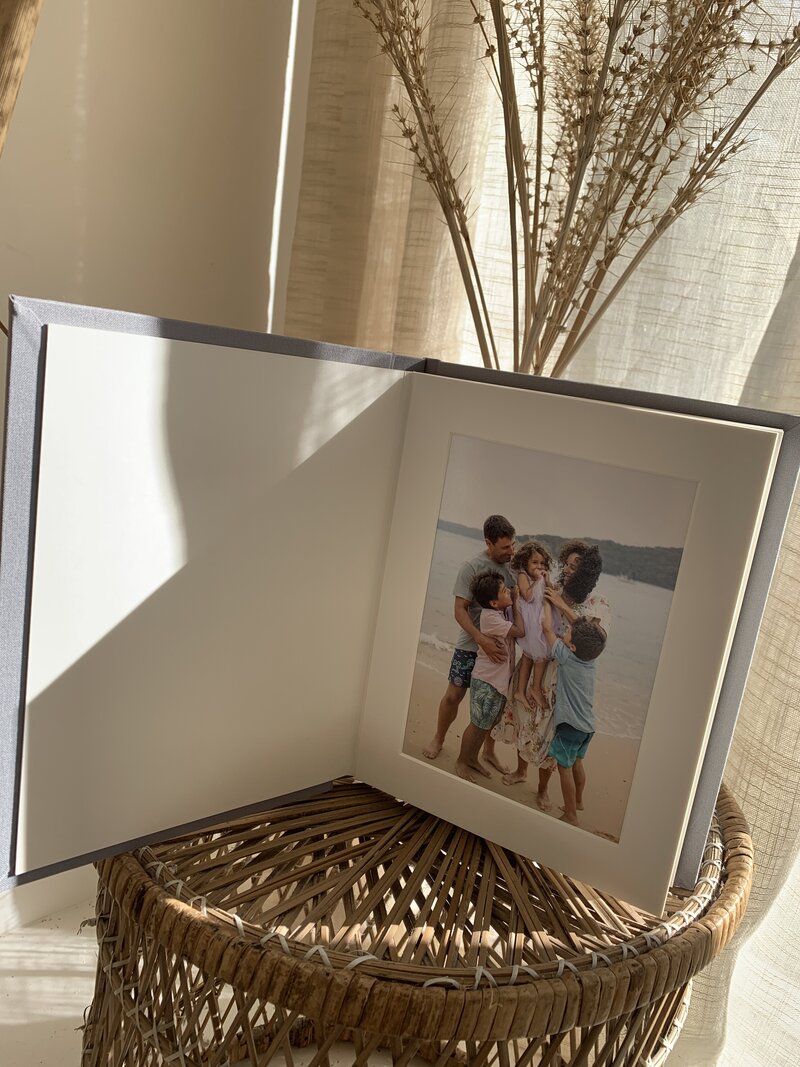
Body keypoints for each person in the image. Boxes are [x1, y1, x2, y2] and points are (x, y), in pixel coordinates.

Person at [495, 540, 610, 809]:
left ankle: (542, 788)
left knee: (548, 733)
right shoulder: (553, 588)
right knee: (524, 719)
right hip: (537, 663)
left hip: (562, 680)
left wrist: (560, 604)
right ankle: (521, 770)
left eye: (575, 566)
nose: (568, 570)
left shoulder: (598, 604)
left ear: (588, 572)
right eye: (566, 565)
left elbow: (596, 640)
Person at [423, 515, 516, 768]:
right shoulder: (471, 567)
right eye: (505, 547)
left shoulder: (512, 570)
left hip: (499, 651)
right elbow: (459, 610)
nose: (511, 551)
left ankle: (488, 751)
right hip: (470, 645)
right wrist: (480, 639)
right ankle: (439, 738)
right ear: (488, 543)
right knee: (454, 695)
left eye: (512, 545)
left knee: (493, 705)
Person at [540, 598, 606, 823]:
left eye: (568, 633)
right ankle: (578, 800)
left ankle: (571, 814)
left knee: (564, 767)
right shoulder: (591, 659)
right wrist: (566, 609)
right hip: (587, 727)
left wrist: (547, 604)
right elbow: (582, 628)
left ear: (573, 646)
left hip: (570, 727)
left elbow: (547, 628)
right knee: (578, 762)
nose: (566, 630)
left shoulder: (566, 657)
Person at [455, 571, 525, 783]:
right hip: (487, 682)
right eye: (505, 591)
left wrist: (510, 602)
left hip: (497, 683)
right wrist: (517, 603)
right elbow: (520, 631)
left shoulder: (498, 612)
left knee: (486, 724)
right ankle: (461, 761)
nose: (509, 592)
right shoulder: (491, 618)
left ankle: (473, 758)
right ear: (494, 602)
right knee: (477, 725)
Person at [509, 541, 554, 711]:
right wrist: (539, 579)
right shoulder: (523, 575)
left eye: (542, 563)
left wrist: (547, 581)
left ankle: (520, 691)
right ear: (525, 563)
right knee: (540, 653)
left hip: (537, 617)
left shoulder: (540, 577)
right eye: (534, 562)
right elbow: (527, 596)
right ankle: (535, 688)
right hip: (529, 620)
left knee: (529, 656)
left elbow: (550, 591)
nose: (539, 566)